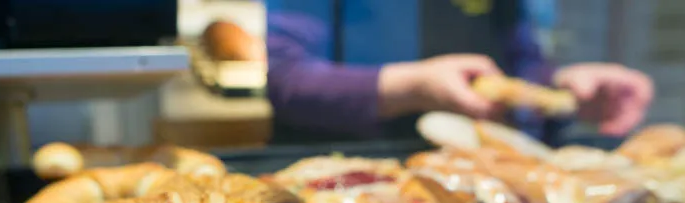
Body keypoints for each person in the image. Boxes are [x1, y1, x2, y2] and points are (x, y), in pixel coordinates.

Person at [266, 0, 653, 143]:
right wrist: (414, 86)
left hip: (472, 188)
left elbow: (519, 65)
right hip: (341, 171)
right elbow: (288, 80)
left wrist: (564, 95)